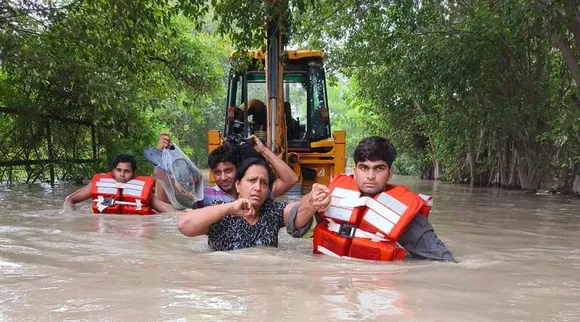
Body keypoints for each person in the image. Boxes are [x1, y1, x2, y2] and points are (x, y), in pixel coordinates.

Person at [313, 136, 455, 262]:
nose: (370, 176)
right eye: (364, 167)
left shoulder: (406, 218)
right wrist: (309, 203)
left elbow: (443, 261)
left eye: (379, 168)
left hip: (376, 287)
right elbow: (295, 226)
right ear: (354, 171)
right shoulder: (327, 198)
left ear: (390, 173)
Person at [177, 158, 331, 251]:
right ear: (238, 185)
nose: (257, 188)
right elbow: (184, 225)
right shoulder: (221, 212)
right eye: (251, 181)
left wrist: (312, 199)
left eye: (264, 183)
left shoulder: (272, 211)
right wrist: (229, 208)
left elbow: (296, 210)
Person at [155, 131, 298, 208]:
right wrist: (161, 159)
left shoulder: (255, 191)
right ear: (212, 173)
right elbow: (165, 201)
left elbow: (291, 179)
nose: (223, 178)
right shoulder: (205, 195)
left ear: (238, 169)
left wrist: (264, 151)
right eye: (218, 172)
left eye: (228, 171)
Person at [64, 153, 174, 214]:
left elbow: (167, 210)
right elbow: (70, 199)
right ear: (113, 170)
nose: (122, 174)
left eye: (127, 171)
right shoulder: (99, 184)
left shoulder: (140, 191)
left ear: (133, 173)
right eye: (119, 170)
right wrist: (71, 215)